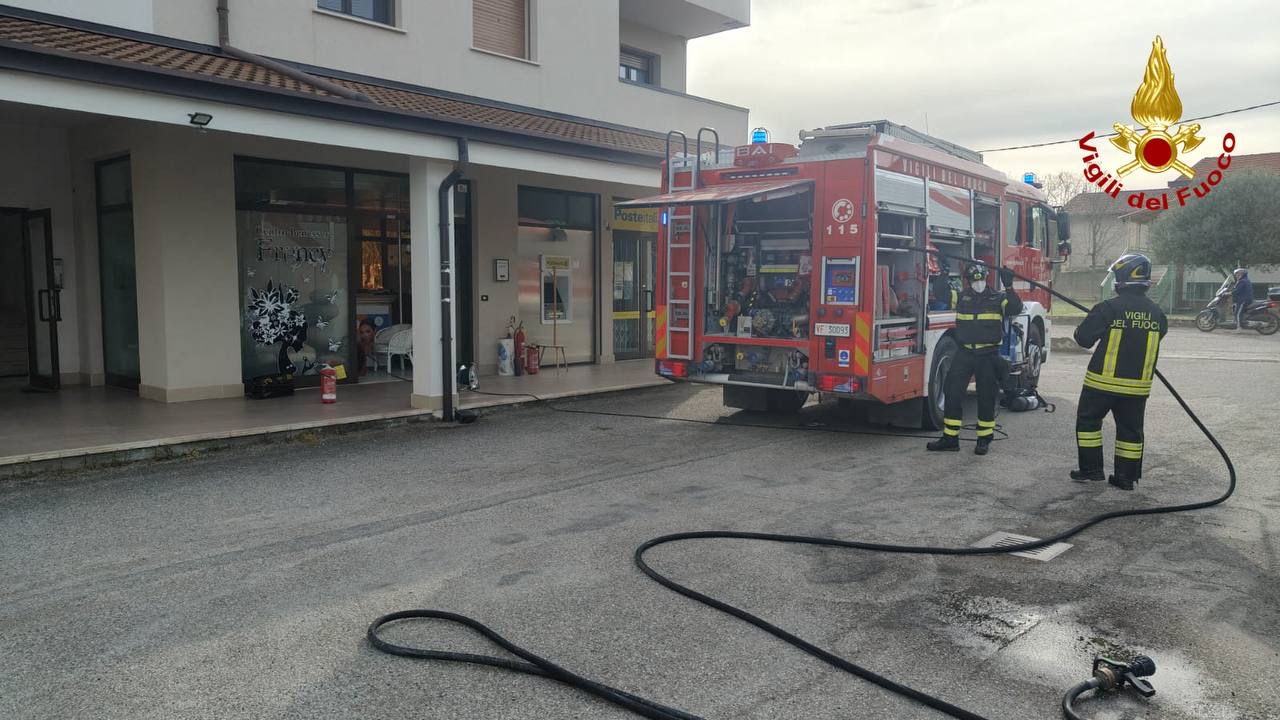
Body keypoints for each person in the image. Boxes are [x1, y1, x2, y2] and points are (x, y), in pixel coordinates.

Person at [1070, 253, 1169, 490]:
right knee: (1131, 433)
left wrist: (1082, 327)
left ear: (1122, 278)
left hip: (1101, 384)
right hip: (1137, 389)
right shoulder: (1158, 314)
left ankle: (1092, 470)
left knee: (1089, 424)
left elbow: (1084, 339)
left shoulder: (1108, 308)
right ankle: (1126, 478)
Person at [927, 264, 1022, 456]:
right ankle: (950, 438)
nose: (977, 283)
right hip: (965, 353)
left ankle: (984, 440)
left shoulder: (999, 297)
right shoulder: (962, 296)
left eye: (980, 279)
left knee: (986, 397)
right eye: (973, 280)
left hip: (988, 355)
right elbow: (941, 293)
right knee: (952, 392)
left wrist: (1009, 286)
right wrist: (943, 271)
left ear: (985, 278)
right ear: (968, 281)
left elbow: (1015, 308)